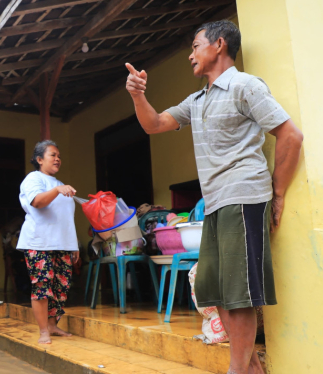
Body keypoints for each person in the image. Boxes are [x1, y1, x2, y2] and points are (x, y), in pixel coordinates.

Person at [125, 20, 303, 374]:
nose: (190, 55)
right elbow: (154, 124)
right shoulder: (197, 100)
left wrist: (278, 192)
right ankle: (250, 367)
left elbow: (290, 136)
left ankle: (237, 370)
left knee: (238, 293)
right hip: (216, 202)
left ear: (219, 45)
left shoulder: (244, 85)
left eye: (195, 46)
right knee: (212, 288)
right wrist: (137, 94)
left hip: (244, 196)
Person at [16, 140, 80, 345]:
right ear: (39, 159)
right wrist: (57, 190)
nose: (58, 159)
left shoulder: (59, 184)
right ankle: (43, 330)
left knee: (61, 287)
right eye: (53, 155)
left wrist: (74, 244)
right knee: (42, 287)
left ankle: (53, 325)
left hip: (63, 244)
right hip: (39, 243)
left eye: (59, 156)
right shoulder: (33, 178)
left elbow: (65, 217)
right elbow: (38, 202)